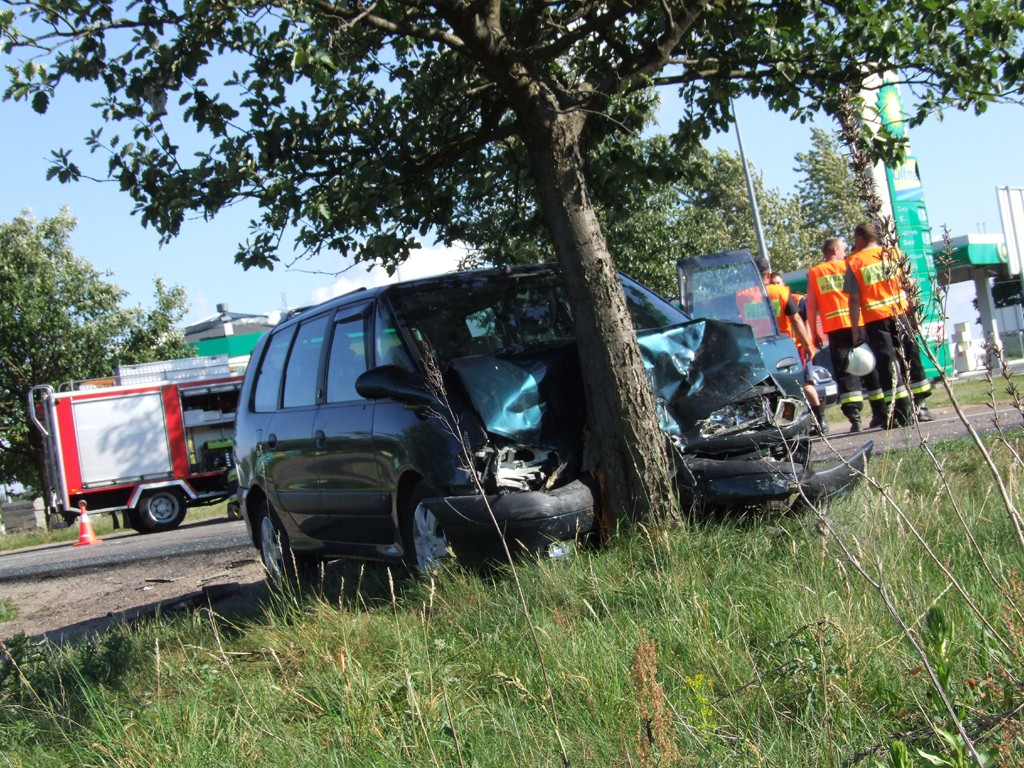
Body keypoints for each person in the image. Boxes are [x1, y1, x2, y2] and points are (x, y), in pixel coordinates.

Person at [844, 222, 933, 427]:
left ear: (860, 239)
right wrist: (915, 314)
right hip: (901, 314)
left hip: (876, 320)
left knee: (887, 364)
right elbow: (909, 285)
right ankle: (921, 407)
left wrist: (856, 331)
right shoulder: (894, 253)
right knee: (910, 356)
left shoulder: (855, 262)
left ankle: (901, 413)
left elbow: (854, 299)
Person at [805, 236, 887, 432]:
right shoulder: (849, 265)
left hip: (835, 328)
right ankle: (881, 412)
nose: (844, 252)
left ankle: (854, 417)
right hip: (859, 324)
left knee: (845, 373)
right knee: (870, 368)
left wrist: (814, 333)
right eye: (842, 249)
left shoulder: (815, 273)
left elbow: (811, 306)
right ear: (835, 250)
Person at [758, 260, 829, 435]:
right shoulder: (781, 293)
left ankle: (784, 426)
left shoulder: (743, 296)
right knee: (803, 384)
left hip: (761, 349)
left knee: (774, 390)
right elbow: (796, 319)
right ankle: (819, 421)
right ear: (768, 275)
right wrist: (807, 344)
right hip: (786, 347)